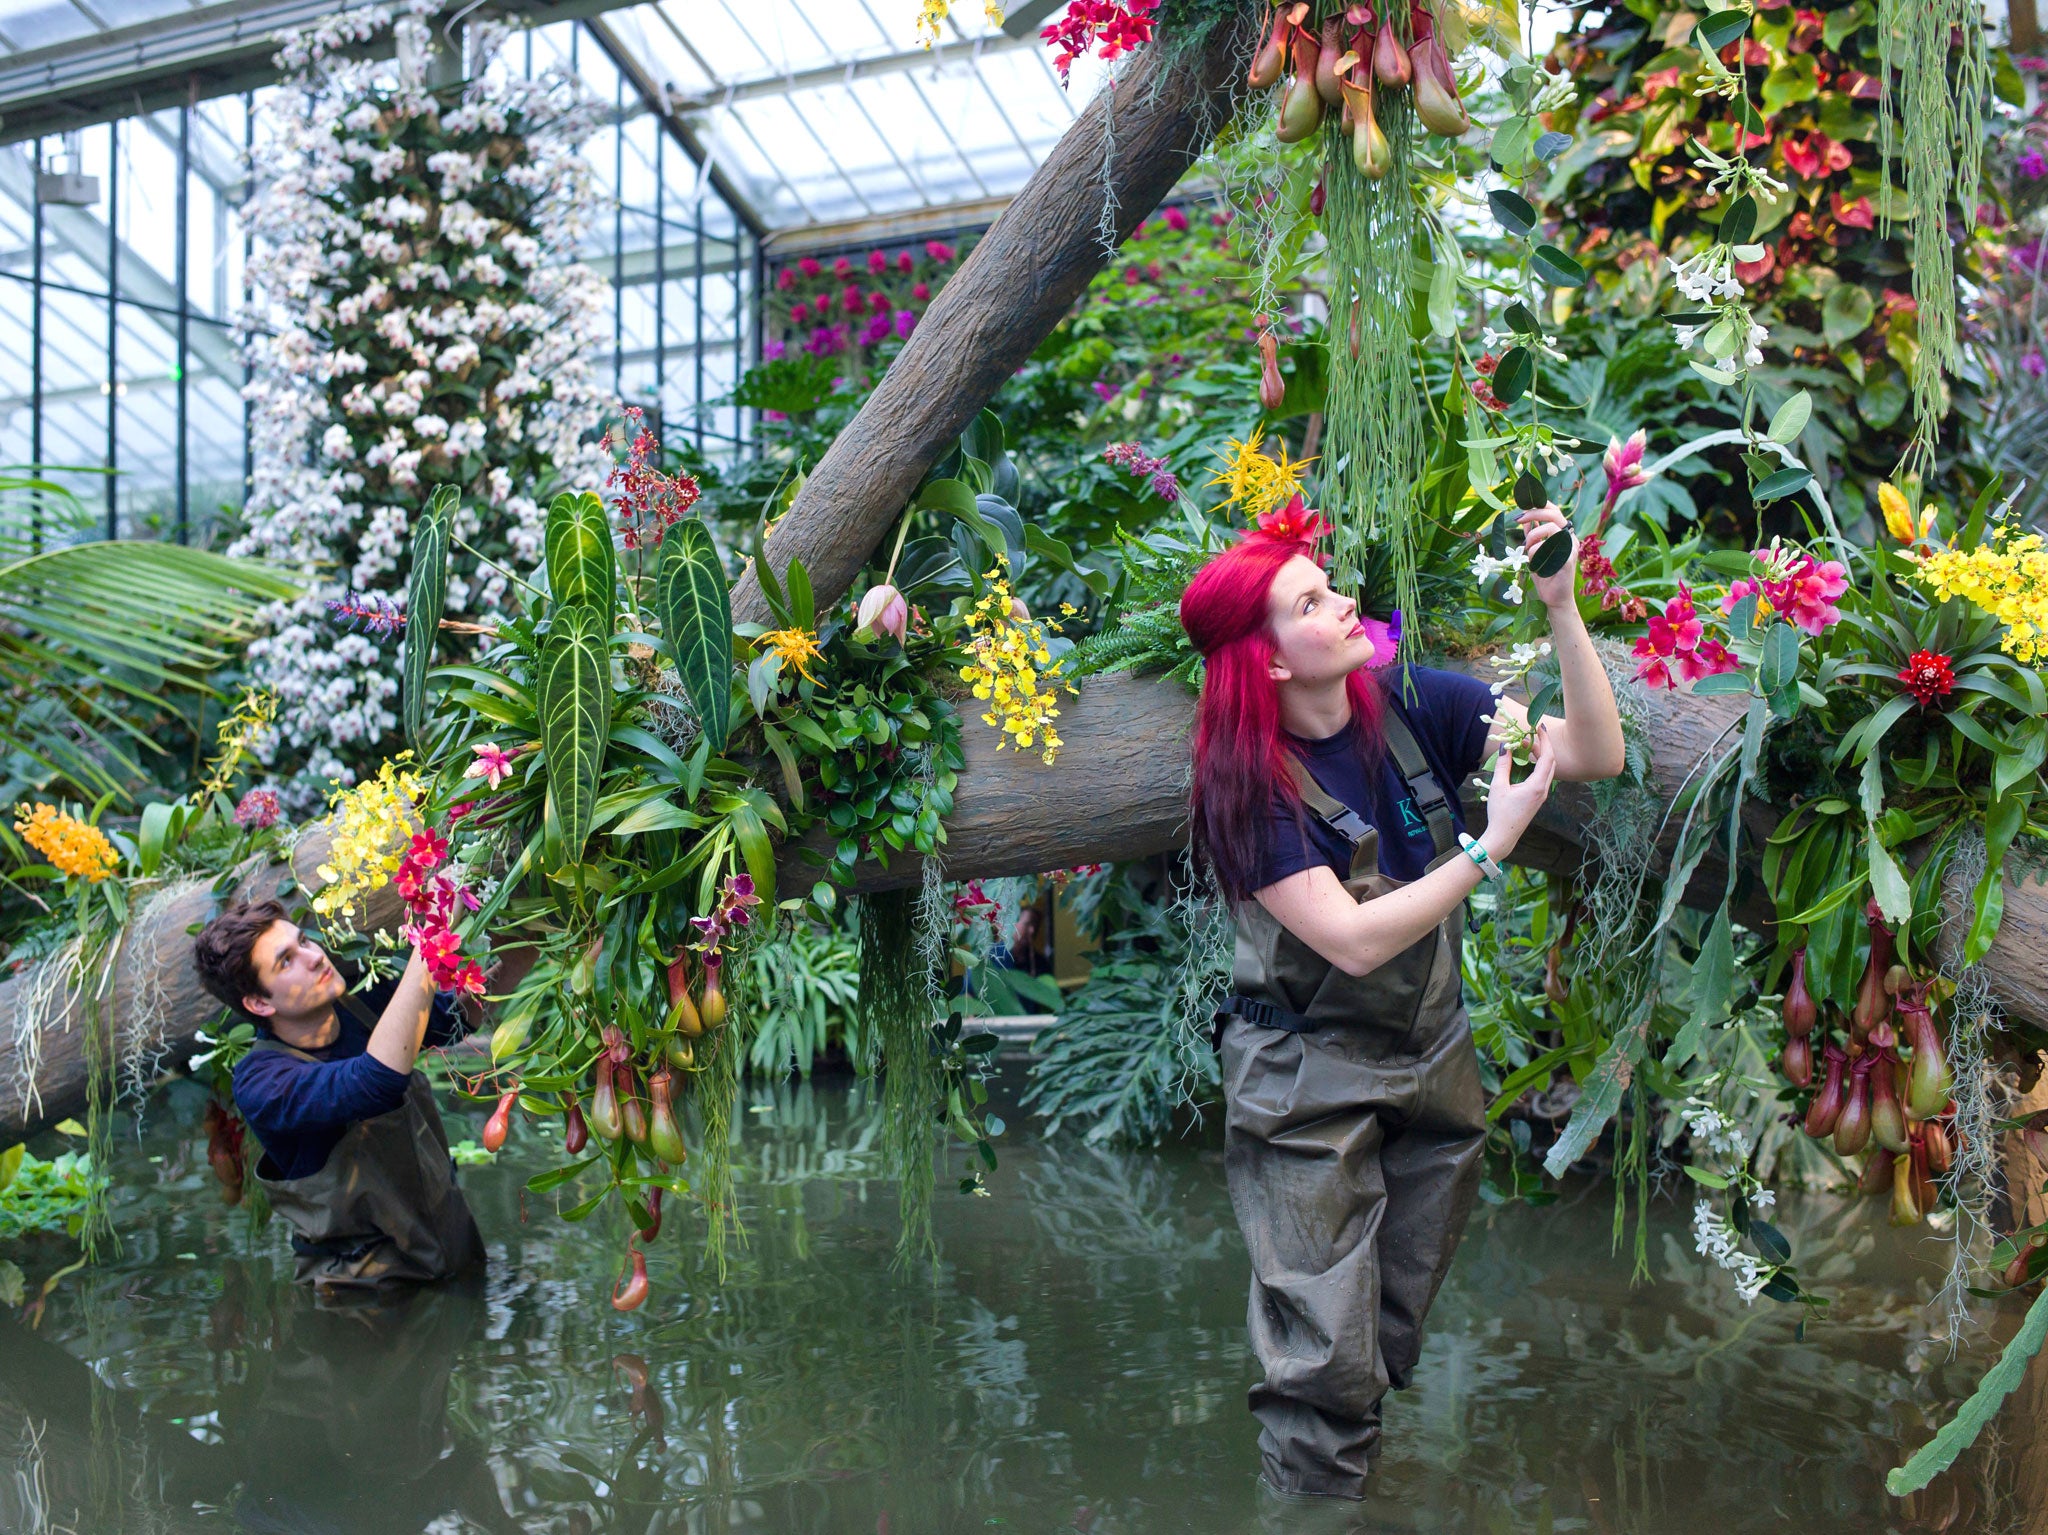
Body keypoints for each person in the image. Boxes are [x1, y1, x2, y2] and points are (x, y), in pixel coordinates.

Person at [1178, 503, 1624, 1506]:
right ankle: (1311, 1506)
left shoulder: (1413, 700)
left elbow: (1592, 754)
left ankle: (1350, 1499)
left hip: (1429, 1054)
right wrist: (1487, 844)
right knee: (1319, 1369)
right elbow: (1348, 934)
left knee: (1384, 1334)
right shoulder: (1245, 782)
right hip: (1304, 1082)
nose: (1341, 601)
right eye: (1309, 600)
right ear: (1272, 663)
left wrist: (1560, 605)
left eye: (1323, 583)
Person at [192, 899, 486, 1291]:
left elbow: (455, 1021)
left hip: (448, 1239)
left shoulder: (361, 1003)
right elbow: (377, 1081)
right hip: (365, 1291)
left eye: (305, 942)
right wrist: (432, 931)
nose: (313, 957)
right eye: (286, 961)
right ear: (259, 1003)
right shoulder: (262, 1081)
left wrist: (530, 942)